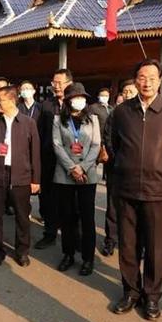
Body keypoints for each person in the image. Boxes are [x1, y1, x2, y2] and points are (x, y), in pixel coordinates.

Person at [110, 59, 162, 320]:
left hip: (159, 191)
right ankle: (131, 291)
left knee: (155, 248)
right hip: (127, 190)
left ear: (161, 80)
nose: (147, 81)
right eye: (142, 76)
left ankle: (151, 297)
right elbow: (114, 145)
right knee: (128, 246)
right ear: (135, 80)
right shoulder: (121, 112)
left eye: (152, 77)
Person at [0, 86, 41, 267]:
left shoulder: (28, 123)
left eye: (0, 99)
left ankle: (22, 251)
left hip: (21, 176)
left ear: (12, 100)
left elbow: (35, 154)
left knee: (22, 216)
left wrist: (36, 180)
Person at [52, 83, 101, 276]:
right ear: (68, 100)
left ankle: (88, 258)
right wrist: (72, 167)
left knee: (87, 218)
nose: (79, 100)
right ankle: (68, 254)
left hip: (87, 175)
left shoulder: (93, 119)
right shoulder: (58, 120)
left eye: (82, 97)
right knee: (67, 217)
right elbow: (57, 145)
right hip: (64, 175)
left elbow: (96, 145)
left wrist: (83, 167)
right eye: (75, 97)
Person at [35, 68, 73, 249]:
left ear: (69, 83)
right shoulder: (46, 105)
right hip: (49, 158)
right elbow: (39, 132)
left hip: (71, 159)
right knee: (48, 197)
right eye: (54, 83)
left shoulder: (76, 103)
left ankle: (73, 235)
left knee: (70, 200)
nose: (56, 86)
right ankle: (49, 232)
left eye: (60, 83)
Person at [101, 79, 138, 257]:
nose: (128, 95)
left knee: (135, 210)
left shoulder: (142, 114)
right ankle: (110, 240)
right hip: (116, 168)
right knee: (113, 207)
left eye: (132, 91)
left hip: (138, 172)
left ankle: (135, 243)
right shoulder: (116, 114)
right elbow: (108, 138)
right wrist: (118, 159)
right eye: (126, 92)